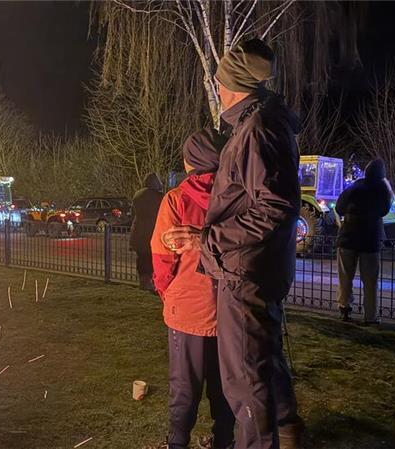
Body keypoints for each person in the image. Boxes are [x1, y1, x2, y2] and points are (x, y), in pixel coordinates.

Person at [166, 39, 303, 449]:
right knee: (262, 364)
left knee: (243, 383)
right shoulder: (257, 125)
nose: (218, 88)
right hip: (248, 268)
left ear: (234, 86)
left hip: (243, 273)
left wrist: (204, 238)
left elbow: (274, 208)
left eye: (221, 81)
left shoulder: (256, 129)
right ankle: (288, 429)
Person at [153, 128, 233, 449]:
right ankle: (224, 440)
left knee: (184, 388)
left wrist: (168, 294)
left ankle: (177, 443)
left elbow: (161, 260)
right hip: (229, 312)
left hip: (187, 312)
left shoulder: (176, 200)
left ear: (192, 162)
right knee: (224, 386)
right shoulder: (236, 200)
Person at [335, 159, 393, 323]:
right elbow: (384, 211)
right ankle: (370, 316)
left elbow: (339, 207)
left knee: (345, 277)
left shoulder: (354, 188)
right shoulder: (382, 190)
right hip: (370, 239)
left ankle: (344, 308)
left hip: (348, 236)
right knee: (370, 281)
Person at [130, 173, 164, 291]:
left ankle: (143, 281)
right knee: (151, 260)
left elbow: (133, 214)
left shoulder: (137, 195)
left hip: (138, 232)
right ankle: (151, 283)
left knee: (142, 259)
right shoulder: (158, 197)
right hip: (152, 233)